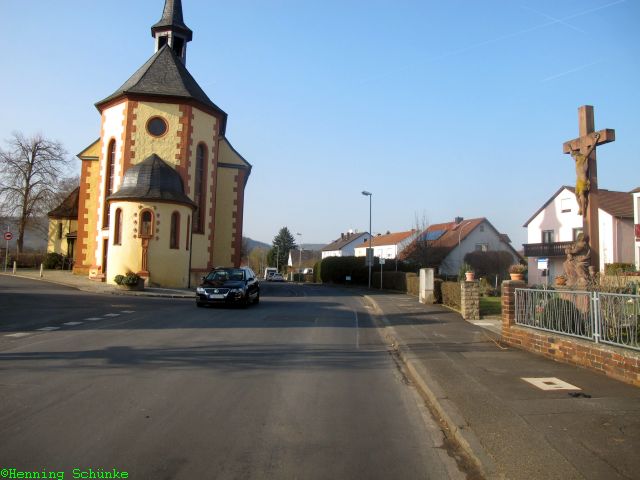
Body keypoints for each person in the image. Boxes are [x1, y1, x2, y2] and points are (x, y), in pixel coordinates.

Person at [568, 132, 599, 217]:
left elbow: (591, 148)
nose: (574, 157)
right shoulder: (576, 160)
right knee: (576, 194)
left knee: (581, 193)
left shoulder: (583, 157)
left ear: (577, 155)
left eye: (575, 156)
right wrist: (570, 147)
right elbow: (571, 153)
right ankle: (580, 207)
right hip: (578, 180)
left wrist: (595, 140)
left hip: (583, 179)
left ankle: (584, 210)